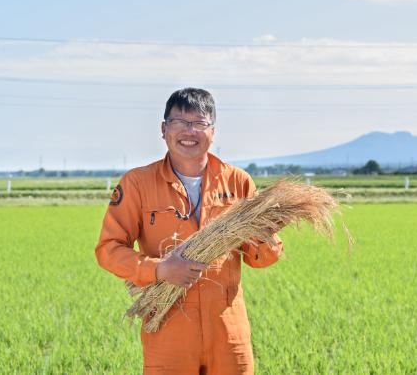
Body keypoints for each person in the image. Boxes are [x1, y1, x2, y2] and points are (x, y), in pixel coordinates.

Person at [95, 88, 283, 374]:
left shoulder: (238, 182)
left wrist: (267, 236)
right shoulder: (137, 183)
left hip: (227, 329)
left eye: (199, 123)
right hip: (168, 329)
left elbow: (260, 258)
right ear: (163, 129)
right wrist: (159, 270)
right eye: (179, 122)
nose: (189, 131)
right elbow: (109, 250)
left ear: (213, 131)